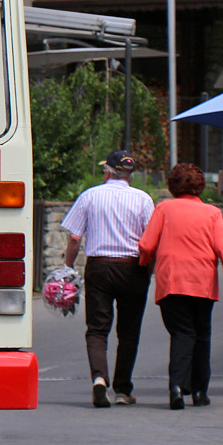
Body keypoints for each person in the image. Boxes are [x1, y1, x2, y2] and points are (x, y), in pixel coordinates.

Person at [137, 163, 223, 409]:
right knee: (201, 335)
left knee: (181, 333)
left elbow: (146, 245)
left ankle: (177, 387)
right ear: (200, 187)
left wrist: (145, 262)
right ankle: (199, 392)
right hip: (203, 283)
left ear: (172, 185)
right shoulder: (212, 213)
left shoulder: (164, 208)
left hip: (171, 282)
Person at [61, 150, 155, 407]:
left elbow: (75, 238)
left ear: (107, 172)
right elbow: (149, 242)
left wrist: (68, 268)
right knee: (128, 330)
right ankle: (123, 389)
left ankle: (99, 379)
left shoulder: (90, 195)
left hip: (99, 266)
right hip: (132, 267)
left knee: (97, 328)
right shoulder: (143, 199)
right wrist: (148, 271)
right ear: (130, 176)